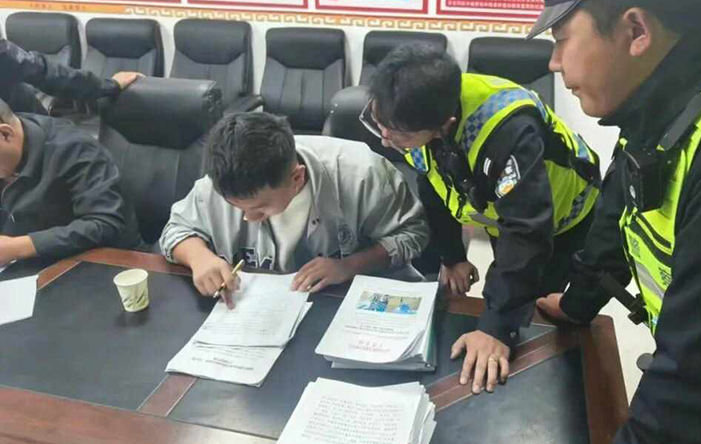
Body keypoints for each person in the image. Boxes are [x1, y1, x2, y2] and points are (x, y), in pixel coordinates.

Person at [530, 0, 701, 441]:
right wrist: (578, 302)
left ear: (636, 31)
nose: (554, 63)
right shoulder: (671, 101)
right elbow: (620, 207)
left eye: (561, 41)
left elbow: (696, 407)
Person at [364, 43, 602, 394]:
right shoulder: (414, 116)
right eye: (377, 122)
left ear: (442, 126)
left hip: (564, 219)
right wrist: (453, 257)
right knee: (505, 281)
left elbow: (526, 232)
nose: (386, 140)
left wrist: (495, 327)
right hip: (499, 210)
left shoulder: (509, 131)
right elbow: (433, 186)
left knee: (533, 314)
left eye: (396, 134)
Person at [159, 112, 429, 307]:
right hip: (266, 312)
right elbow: (176, 229)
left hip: (354, 305)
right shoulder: (222, 180)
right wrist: (199, 258)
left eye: (260, 209)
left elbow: (414, 234)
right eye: (235, 206)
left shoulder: (362, 173)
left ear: (297, 178)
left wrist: (349, 266)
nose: (247, 218)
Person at [0, 99, 141, 266]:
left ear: (5, 134)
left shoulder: (75, 149)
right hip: (29, 263)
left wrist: (18, 247)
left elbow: (104, 224)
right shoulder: (9, 152)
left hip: (104, 263)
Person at [0, 38, 142, 113]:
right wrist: (110, 85)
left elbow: (49, 74)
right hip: (20, 138)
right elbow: (48, 74)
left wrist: (109, 85)